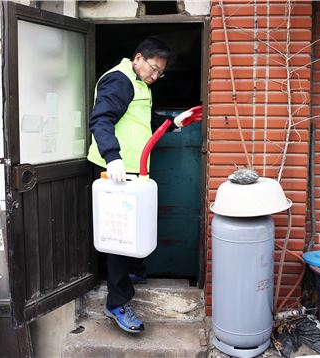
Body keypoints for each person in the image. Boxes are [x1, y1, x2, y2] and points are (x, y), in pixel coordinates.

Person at [87, 36, 202, 334]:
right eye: (153, 69)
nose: (155, 76)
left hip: (132, 173)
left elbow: (143, 121)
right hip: (112, 172)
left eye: (160, 73)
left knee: (133, 232)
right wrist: (112, 158)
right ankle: (117, 303)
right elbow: (101, 120)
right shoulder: (120, 80)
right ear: (138, 58)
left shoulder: (140, 85)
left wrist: (174, 122)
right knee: (119, 240)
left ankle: (132, 272)